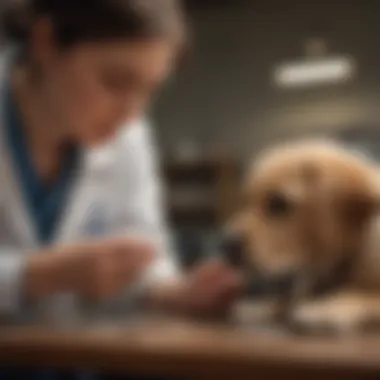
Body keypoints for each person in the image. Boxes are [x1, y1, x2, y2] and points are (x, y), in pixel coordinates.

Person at [0, 0, 243, 331]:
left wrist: (176, 292)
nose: (132, 112)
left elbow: (145, 253)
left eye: (149, 90)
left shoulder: (128, 134)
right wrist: (34, 276)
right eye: (115, 81)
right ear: (46, 43)